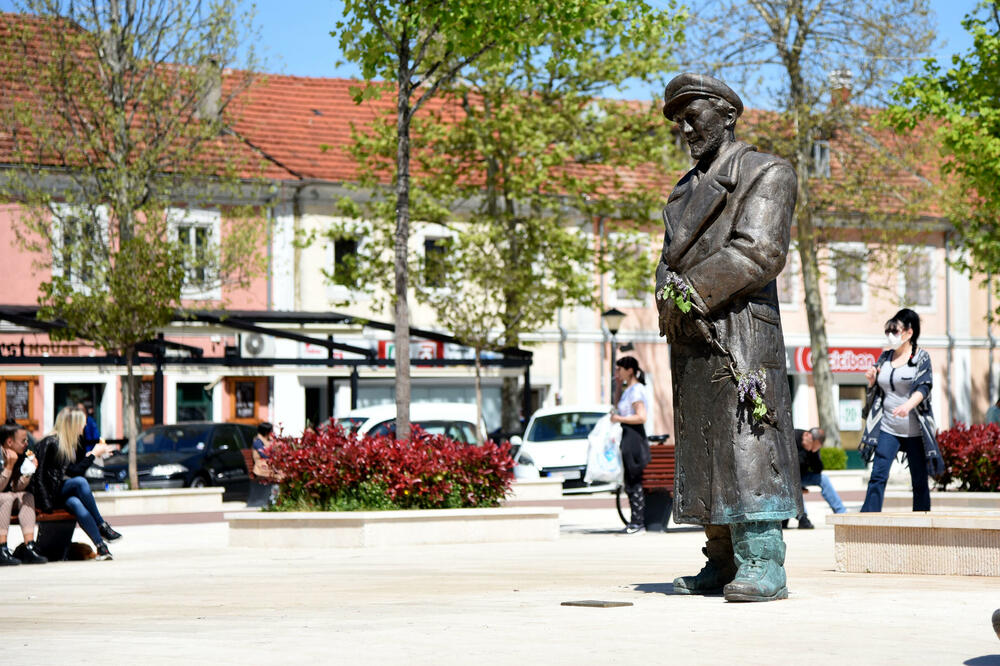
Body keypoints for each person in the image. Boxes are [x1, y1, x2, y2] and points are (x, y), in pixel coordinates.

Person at [655, 73, 801, 602]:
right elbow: (668, 258)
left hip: (740, 327)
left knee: (748, 441)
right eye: (679, 120)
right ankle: (720, 557)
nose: (686, 127)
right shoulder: (685, 188)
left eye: (693, 115)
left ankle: (763, 559)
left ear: (726, 113)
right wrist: (667, 299)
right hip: (693, 330)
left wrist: (687, 292)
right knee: (704, 445)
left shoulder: (766, 172)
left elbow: (759, 252)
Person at [860, 308, 944, 512]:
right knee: (878, 475)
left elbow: (925, 387)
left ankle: (922, 519)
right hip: (888, 426)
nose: (890, 335)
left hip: (914, 429)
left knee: (919, 479)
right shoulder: (884, 357)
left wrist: (908, 405)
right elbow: (877, 391)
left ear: (909, 332)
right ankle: (868, 519)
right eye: (888, 330)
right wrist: (871, 382)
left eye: (895, 331)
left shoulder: (921, 358)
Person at [31, 407, 122, 560]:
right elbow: (72, 473)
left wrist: (90, 455)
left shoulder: (71, 443)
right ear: (72, 425)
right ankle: (101, 525)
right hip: (47, 497)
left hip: (58, 493)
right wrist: (93, 455)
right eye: (82, 424)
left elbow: (74, 468)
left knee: (76, 503)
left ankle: (101, 547)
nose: (84, 427)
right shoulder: (52, 442)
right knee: (80, 482)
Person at [609, 356, 651, 534]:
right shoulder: (628, 389)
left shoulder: (636, 391)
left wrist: (619, 419)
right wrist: (618, 386)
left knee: (634, 478)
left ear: (630, 370)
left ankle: (638, 522)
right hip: (627, 434)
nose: (617, 373)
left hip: (634, 435)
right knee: (629, 479)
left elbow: (641, 416)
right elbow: (617, 406)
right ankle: (635, 521)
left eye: (619, 369)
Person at [0, 423, 47, 565]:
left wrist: (27, 473)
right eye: (23, 441)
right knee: (7, 497)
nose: (27, 444)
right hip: (3, 498)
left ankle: (29, 546)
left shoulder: (19, 457)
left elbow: (16, 488)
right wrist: (8, 467)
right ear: (9, 442)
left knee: (27, 496)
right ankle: (1, 548)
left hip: (5, 499)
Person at [792, 427, 846, 528]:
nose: (812, 448)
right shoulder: (792, 437)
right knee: (794, 483)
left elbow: (818, 469)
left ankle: (841, 513)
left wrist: (814, 453)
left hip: (802, 477)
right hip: (788, 478)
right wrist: (800, 487)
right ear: (807, 435)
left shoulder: (812, 450)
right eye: (812, 445)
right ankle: (802, 517)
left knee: (823, 479)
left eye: (815, 447)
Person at [248, 421, 278, 507]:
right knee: (280, 474)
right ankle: (274, 499)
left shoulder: (269, 440)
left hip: (268, 465)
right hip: (261, 466)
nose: (272, 433)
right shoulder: (258, 441)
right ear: (266, 432)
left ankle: (275, 498)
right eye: (271, 431)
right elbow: (264, 454)